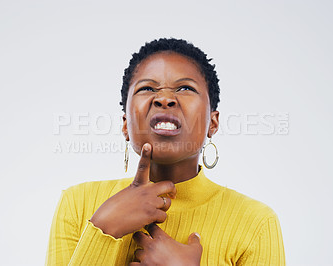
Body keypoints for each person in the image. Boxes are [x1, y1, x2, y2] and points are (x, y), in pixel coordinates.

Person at [45, 38, 285, 265]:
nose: (165, 98)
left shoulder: (256, 222)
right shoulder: (77, 204)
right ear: (125, 123)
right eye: (147, 88)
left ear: (213, 123)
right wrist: (105, 227)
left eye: (184, 88)